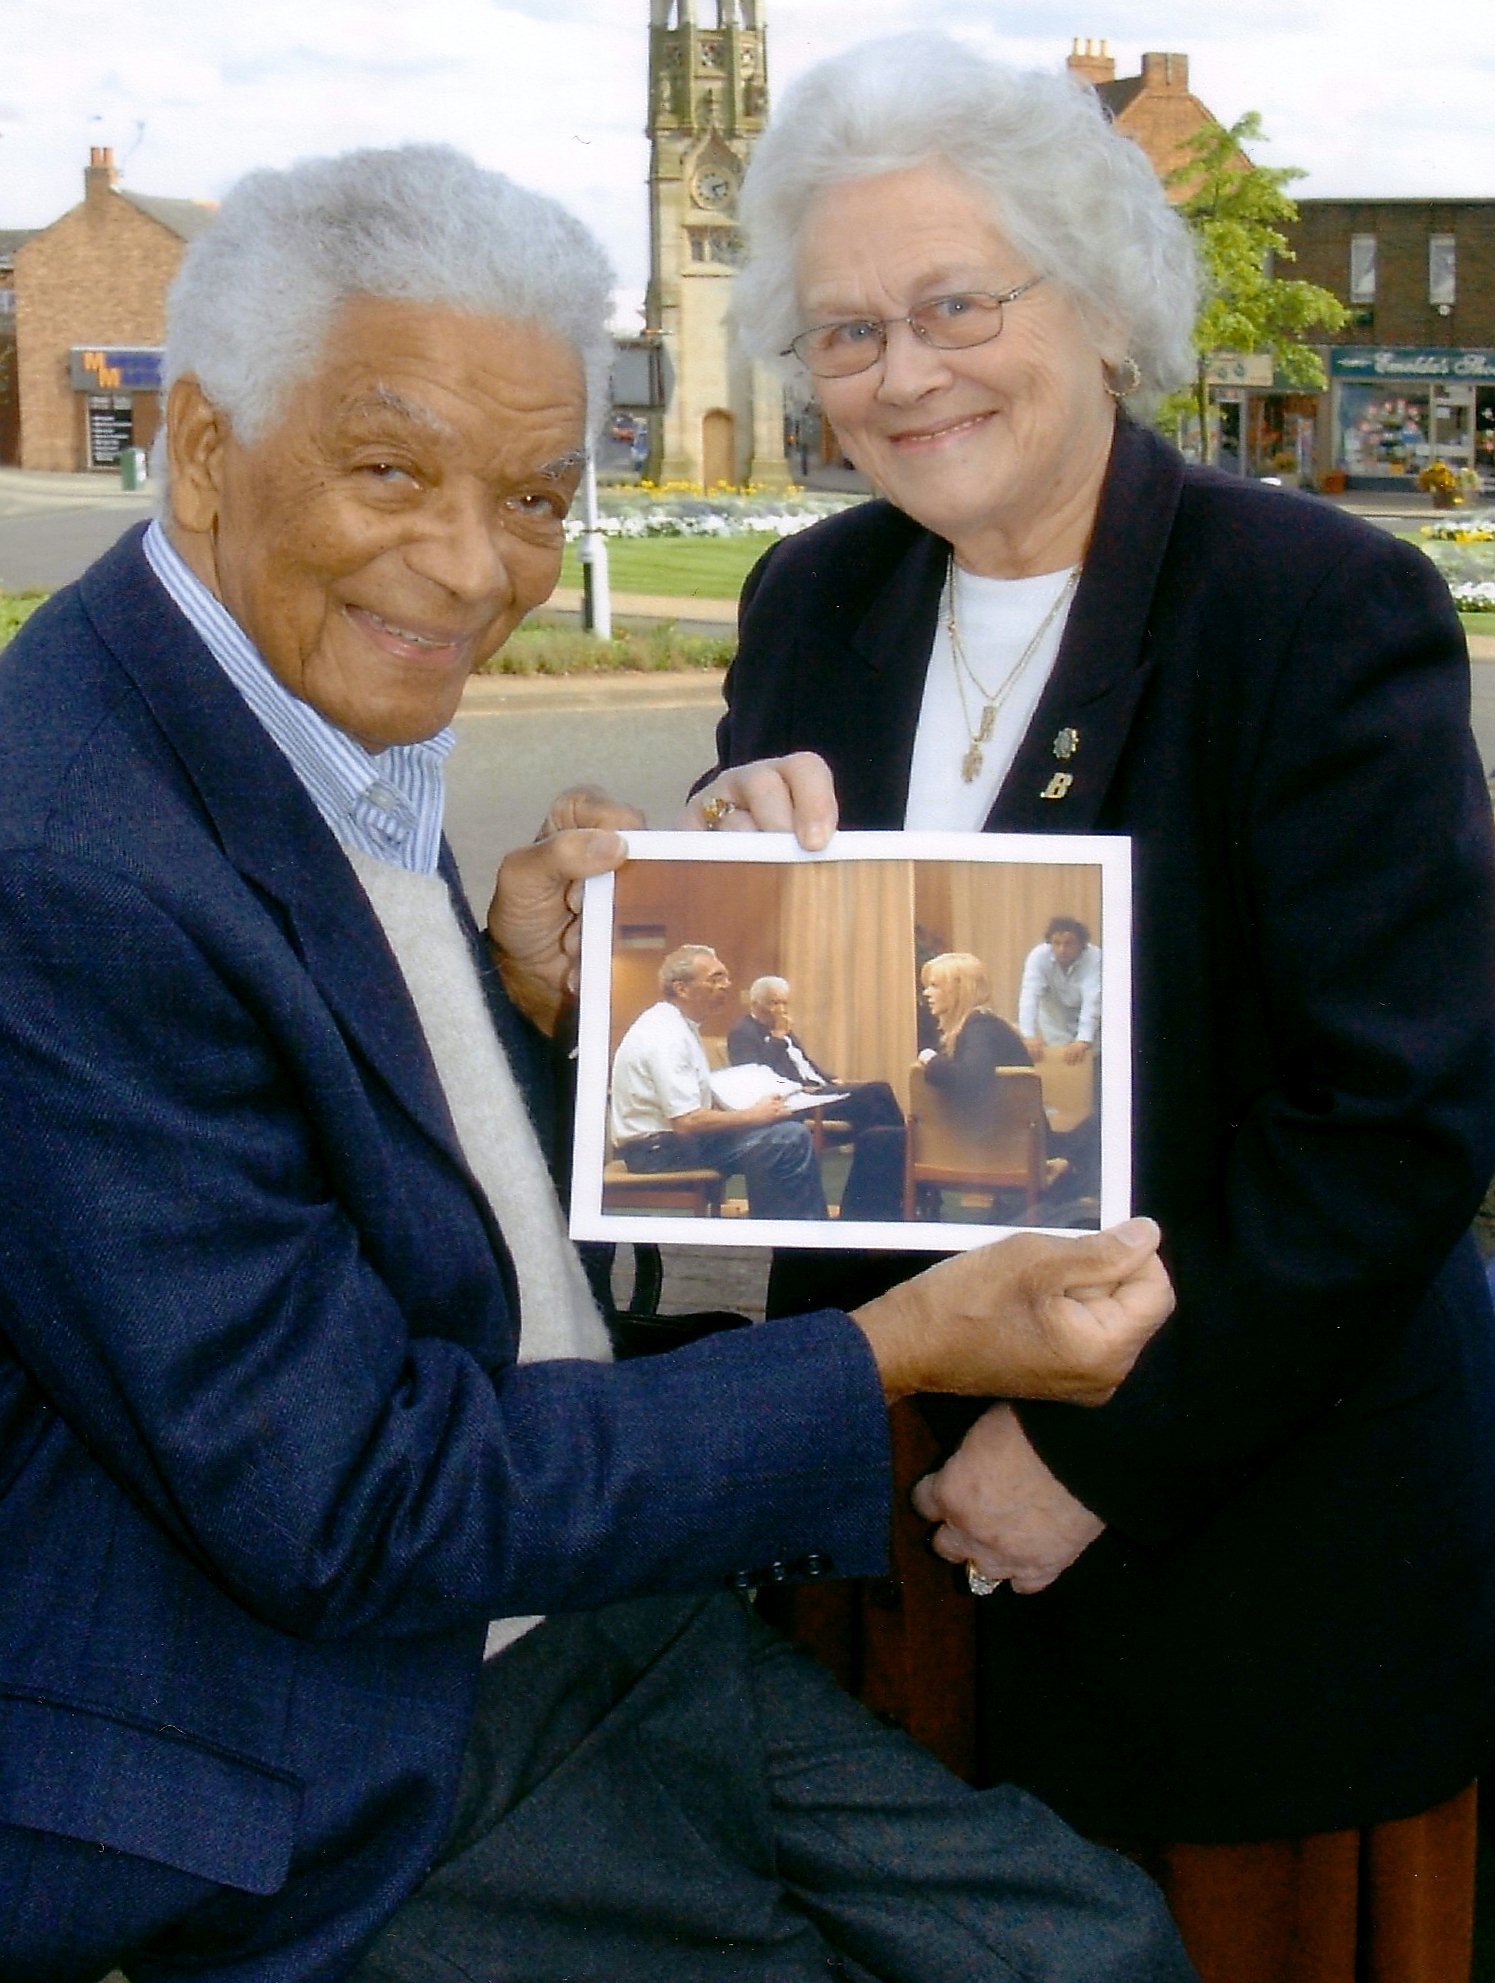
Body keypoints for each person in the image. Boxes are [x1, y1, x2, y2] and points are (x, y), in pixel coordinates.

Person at [0, 143, 1196, 1983]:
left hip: (567, 1598)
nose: (476, 571)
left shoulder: (294, 707)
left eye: (539, 496)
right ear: (211, 449)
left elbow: (402, 1201)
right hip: (327, 1730)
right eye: (391, 469)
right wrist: (903, 1345)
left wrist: (529, 998)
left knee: (1095, 1939)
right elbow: (354, 1503)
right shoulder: (63, 858)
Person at [685, 34, 1495, 1983]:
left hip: (1230, 1538)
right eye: (850, 329)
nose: (904, 371)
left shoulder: (1313, 606)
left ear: (1097, 295)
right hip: (894, 1529)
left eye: (956, 303)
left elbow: (1395, 1123)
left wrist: (1090, 1455)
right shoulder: (813, 599)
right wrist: (701, 873)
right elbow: (776, 1061)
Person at [610, 944, 827, 1219]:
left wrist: (756, 1112)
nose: (727, 985)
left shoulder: (676, 1025)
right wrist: (753, 1116)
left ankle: (792, 1241)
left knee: (784, 1130)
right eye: (715, 979)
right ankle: (799, 1245)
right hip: (658, 1152)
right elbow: (687, 1122)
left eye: (725, 977)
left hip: (666, 1144)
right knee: (788, 1139)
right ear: (682, 989)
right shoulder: (666, 1035)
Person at [728, 973, 907, 1220]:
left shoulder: (784, 1031)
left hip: (818, 1092)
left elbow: (806, 1065)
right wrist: (779, 1039)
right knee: (877, 1094)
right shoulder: (743, 1032)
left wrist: (831, 1079)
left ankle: (878, 1193)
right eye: (774, 1003)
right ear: (755, 1004)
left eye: (784, 1003)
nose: (781, 1010)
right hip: (796, 1102)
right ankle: (889, 1189)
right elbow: (756, 1077)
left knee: (878, 1105)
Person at [918, 951, 1032, 1093]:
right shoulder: (975, 1024)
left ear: (959, 990)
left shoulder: (981, 1025)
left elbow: (970, 1079)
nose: (926, 993)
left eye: (934, 985)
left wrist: (931, 1059)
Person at [1019, 917, 1101, 1064]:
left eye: (1068, 944)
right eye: (1056, 943)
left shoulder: (1094, 958)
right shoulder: (1038, 957)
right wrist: (1028, 1036)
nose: (1062, 950)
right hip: (1055, 1025)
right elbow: (1029, 998)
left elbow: (1093, 1001)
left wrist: (1083, 1039)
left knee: (1092, 1068)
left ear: (1082, 945)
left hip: (1093, 1029)